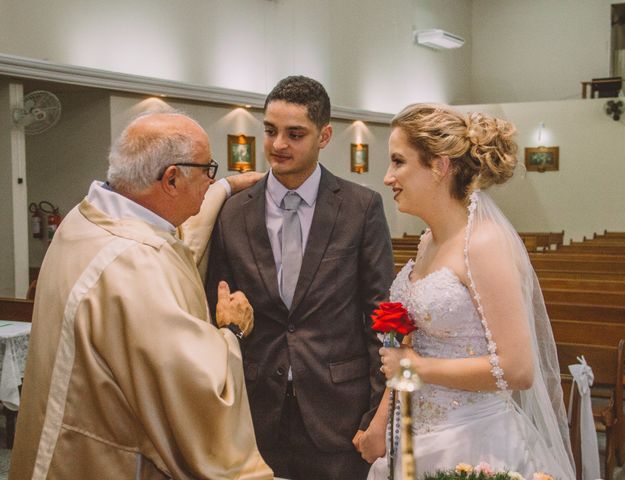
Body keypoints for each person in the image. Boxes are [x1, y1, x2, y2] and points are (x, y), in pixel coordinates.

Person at [9, 112, 273, 480]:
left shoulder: (83, 220)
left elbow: (176, 233)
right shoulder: (138, 264)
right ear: (171, 179)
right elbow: (194, 391)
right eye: (207, 171)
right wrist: (232, 332)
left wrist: (225, 188)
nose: (211, 181)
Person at [361, 104, 575, 479]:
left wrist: (418, 368)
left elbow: (519, 369)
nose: (388, 177)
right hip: (413, 439)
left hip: (475, 442)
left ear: (440, 166)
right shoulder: (428, 241)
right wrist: (381, 424)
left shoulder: (484, 245)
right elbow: (408, 350)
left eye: (398, 162)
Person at [205, 76, 394, 479]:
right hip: (255, 408)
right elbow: (214, 307)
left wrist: (377, 413)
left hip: (339, 410)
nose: (278, 145)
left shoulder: (361, 207)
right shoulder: (233, 212)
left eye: (295, 134)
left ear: (324, 135)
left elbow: (383, 314)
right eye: (271, 131)